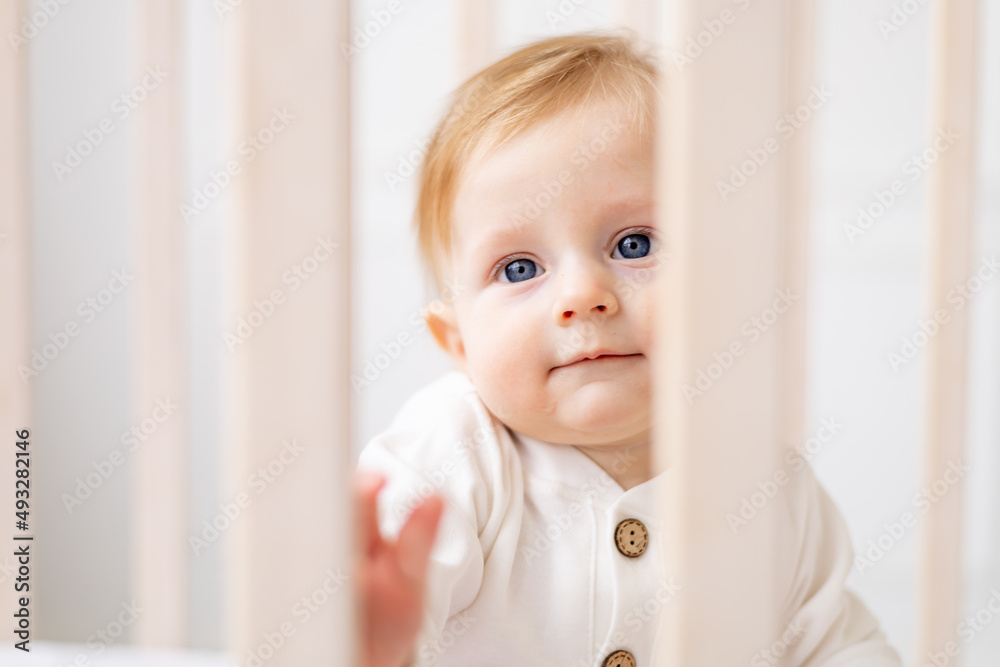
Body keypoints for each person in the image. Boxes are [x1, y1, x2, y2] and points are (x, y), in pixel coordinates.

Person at [352, 31, 903, 667]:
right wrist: (370, 643)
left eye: (634, 244)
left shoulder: (764, 484)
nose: (583, 295)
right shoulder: (454, 454)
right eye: (519, 267)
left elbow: (836, 644)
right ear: (459, 343)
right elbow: (374, 599)